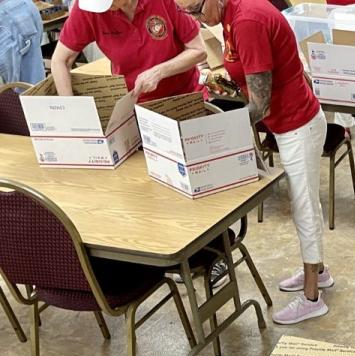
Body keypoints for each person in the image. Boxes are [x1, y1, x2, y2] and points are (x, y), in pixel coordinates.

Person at [176, 0, 333, 324]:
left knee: (304, 207)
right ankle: (318, 272)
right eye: (186, 12)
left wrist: (215, 130)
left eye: (195, 10)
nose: (195, 19)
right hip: (290, 121)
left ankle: (312, 297)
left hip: (296, 124)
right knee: (307, 202)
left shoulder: (247, 21)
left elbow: (259, 106)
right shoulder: (232, 15)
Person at [51, 0, 205, 102]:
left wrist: (159, 72)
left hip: (184, 96)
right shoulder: (87, 8)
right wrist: (70, 108)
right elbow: (60, 61)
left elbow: (198, 50)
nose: (103, 10)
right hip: (136, 104)